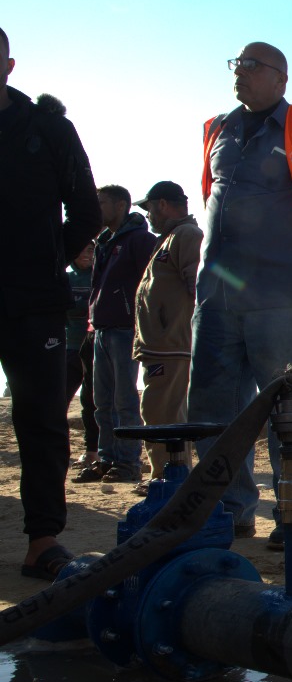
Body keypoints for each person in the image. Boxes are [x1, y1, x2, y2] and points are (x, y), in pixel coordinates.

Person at [189, 42, 292, 546]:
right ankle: (230, 510)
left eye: (251, 66)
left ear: (281, 78)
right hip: (217, 295)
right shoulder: (218, 129)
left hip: (282, 294)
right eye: (236, 65)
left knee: (287, 411)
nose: (240, 73)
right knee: (211, 409)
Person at [0, 25, 102, 579]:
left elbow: (86, 211)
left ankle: (43, 540)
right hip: (34, 289)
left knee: (41, 418)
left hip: (33, 299)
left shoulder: (48, 129)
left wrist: (43, 259)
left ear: (9, 65)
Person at [78, 184, 156, 484]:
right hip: (100, 328)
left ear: (121, 205)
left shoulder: (140, 239)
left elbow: (150, 283)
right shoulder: (104, 242)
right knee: (102, 402)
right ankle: (107, 458)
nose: (96, 208)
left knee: (124, 400)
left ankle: (128, 462)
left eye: (101, 202)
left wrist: (141, 321)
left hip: (125, 329)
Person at [132, 181, 202, 477]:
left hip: (172, 346)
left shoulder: (186, 235)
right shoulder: (171, 237)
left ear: (162, 204)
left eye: (149, 209)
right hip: (162, 345)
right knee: (158, 411)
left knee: (163, 414)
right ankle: (168, 475)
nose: (148, 216)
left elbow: (197, 286)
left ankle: (168, 477)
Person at [65, 242, 98, 470]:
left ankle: (92, 452)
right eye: (82, 249)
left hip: (93, 348)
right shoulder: (66, 278)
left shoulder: (98, 277)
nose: (86, 254)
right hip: (69, 347)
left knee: (91, 402)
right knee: (58, 400)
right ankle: (59, 450)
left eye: (90, 249)